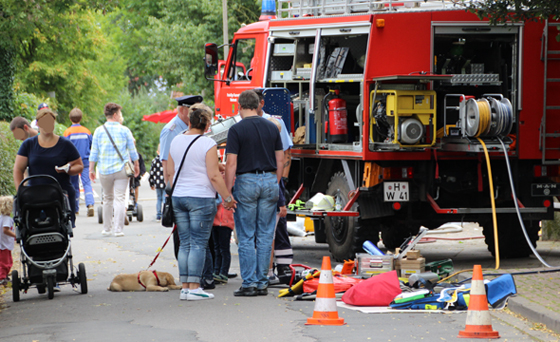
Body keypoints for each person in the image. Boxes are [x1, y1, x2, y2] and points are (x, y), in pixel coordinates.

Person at [168, 107, 236, 301]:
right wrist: (227, 198)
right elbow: (214, 175)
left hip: (179, 197)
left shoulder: (176, 140)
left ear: (189, 122)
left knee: (185, 244)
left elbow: (171, 173)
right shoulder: (207, 143)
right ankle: (195, 287)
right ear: (207, 125)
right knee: (198, 243)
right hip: (200, 197)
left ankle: (185, 287)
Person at [225, 90, 284, 297]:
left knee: (246, 234)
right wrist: (273, 182)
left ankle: (249, 282)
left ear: (240, 106)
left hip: (246, 181)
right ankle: (262, 281)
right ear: (258, 105)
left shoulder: (236, 130)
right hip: (269, 180)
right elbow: (281, 160)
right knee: (266, 234)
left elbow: (231, 163)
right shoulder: (272, 127)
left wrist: (228, 191)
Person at [13, 107, 84, 228]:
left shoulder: (65, 144)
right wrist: (20, 190)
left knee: (62, 226)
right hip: (36, 194)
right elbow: (18, 169)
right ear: (38, 123)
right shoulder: (29, 145)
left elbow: (79, 166)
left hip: (60, 193)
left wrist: (68, 169)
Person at [158, 95, 203, 259]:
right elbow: (165, 163)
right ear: (183, 110)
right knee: (182, 233)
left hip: (194, 186)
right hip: (179, 188)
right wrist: (170, 190)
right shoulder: (172, 129)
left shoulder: (194, 126)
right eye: (194, 110)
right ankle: (184, 267)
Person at [89, 103, 139, 237]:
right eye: (120, 114)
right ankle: (118, 229)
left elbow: (93, 152)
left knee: (107, 198)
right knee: (120, 198)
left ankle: (106, 228)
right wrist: (136, 164)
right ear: (115, 115)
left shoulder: (99, 131)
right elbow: (133, 151)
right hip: (121, 169)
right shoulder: (125, 130)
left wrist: (91, 169)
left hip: (104, 170)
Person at [63, 107, 95, 217]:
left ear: (70, 119)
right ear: (81, 118)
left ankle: (75, 208)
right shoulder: (87, 131)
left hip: (72, 163)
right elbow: (92, 146)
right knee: (86, 183)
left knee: (73, 185)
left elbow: (64, 148)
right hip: (85, 161)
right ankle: (90, 204)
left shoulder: (67, 132)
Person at [212, 181, 235, 284]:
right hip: (215, 221)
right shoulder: (216, 186)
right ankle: (216, 270)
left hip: (226, 223)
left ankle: (224, 272)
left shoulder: (230, 188)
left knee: (224, 249)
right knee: (217, 248)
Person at [0, 196, 16, 286]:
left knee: (7, 261)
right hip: (3, 245)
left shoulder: (1, 217)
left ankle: (4, 276)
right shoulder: (6, 219)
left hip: (3, 244)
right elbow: (5, 230)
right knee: (5, 263)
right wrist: (15, 236)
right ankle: (2, 278)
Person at [149, 145, 165, 222]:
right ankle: (165, 214)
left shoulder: (154, 160)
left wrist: (151, 183)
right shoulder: (166, 160)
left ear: (157, 151)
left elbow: (151, 172)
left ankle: (158, 215)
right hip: (165, 183)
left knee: (159, 199)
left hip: (158, 183)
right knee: (165, 199)